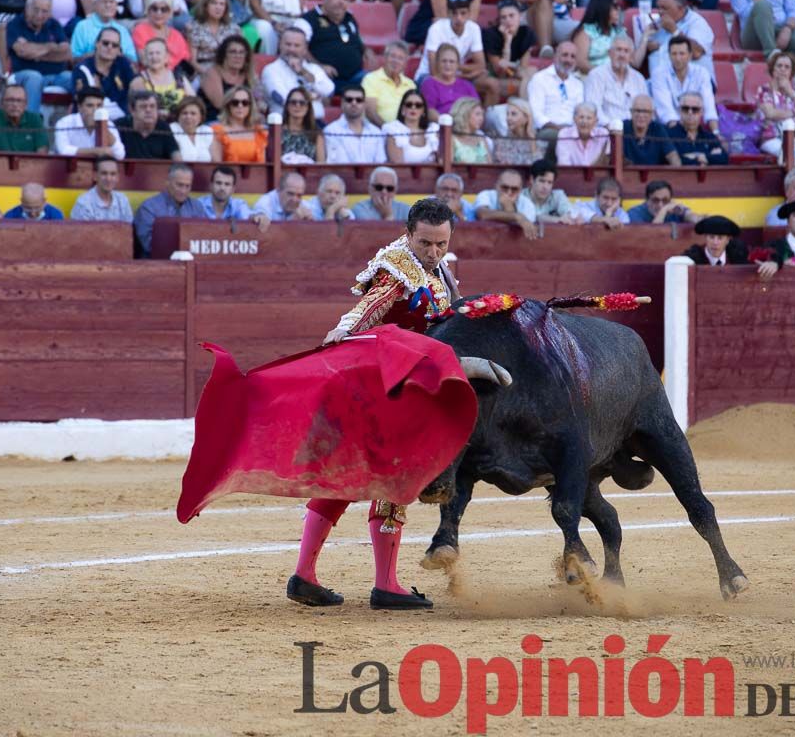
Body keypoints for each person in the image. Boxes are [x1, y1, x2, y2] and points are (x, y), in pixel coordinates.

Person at [293, 199, 462, 611]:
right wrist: (343, 329)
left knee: (345, 478)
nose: (434, 251)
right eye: (426, 242)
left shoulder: (438, 269)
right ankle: (385, 584)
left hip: (397, 388)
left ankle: (304, 576)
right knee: (392, 479)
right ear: (409, 234)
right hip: (386, 391)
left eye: (442, 243)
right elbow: (370, 306)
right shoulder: (397, 266)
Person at [294, 0, 372, 96]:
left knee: (376, 83)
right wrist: (319, 66)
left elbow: (356, 40)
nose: (342, 2)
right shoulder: (307, 20)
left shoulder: (350, 18)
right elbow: (298, 48)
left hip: (356, 77)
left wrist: (366, 50)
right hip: (326, 79)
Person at [0, 0, 73, 114]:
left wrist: (38, 51)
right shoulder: (15, 24)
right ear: (27, 8)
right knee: (35, 77)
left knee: (73, 77)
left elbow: (67, 54)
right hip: (24, 75)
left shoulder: (54, 24)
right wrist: (54, 48)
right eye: (36, 10)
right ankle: (31, 124)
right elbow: (22, 51)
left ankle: (79, 122)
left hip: (55, 75)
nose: (39, 15)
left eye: (44, 11)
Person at [134, 163, 216, 255]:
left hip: (192, 260)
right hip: (157, 263)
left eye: (187, 186)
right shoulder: (149, 208)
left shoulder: (197, 207)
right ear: (167, 182)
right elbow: (148, 244)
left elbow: (204, 238)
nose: (183, 191)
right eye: (179, 185)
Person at [634, 0, 715, 80]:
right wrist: (647, 47)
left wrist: (674, 31)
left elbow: (696, 53)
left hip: (693, 81)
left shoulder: (697, 23)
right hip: (660, 82)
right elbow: (636, 61)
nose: (660, 12)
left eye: (665, 8)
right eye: (659, 7)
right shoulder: (658, 23)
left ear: (681, 9)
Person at [263, 28, 335, 120]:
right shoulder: (271, 70)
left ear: (305, 49)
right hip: (286, 125)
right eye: (288, 44)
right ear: (280, 45)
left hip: (316, 124)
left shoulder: (314, 69)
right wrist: (314, 96)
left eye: (297, 45)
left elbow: (329, 91)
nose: (291, 49)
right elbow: (282, 99)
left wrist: (303, 72)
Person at [650, 35, 718, 131]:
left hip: (694, 126)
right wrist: (682, 136)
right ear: (669, 55)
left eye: (682, 54)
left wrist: (715, 132)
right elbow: (665, 111)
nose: (678, 58)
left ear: (690, 55)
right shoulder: (659, 74)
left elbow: (709, 106)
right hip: (668, 128)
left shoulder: (702, 73)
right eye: (674, 54)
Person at [416, 0, 486, 82]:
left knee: (488, 81)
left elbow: (481, 65)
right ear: (448, 14)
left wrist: (457, 68)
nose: (459, 18)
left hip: (457, 75)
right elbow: (433, 69)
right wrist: (461, 71)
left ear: (469, 13)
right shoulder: (436, 28)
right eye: (454, 13)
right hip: (428, 75)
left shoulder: (474, 28)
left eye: (463, 13)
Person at [72, 26, 137, 119]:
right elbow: (87, 102)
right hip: (91, 120)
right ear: (96, 44)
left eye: (114, 45)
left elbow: (138, 84)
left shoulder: (123, 63)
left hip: (122, 121)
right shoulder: (83, 69)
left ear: (119, 50)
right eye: (105, 43)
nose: (110, 47)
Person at [755, 50, 795, 161]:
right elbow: (770, 113)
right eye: (779, 66)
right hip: (771, 137)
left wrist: (790, 91)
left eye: (787, 67)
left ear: (791, 72)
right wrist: (794, 112)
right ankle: (793, 176)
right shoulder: (765, 90)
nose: (782, 69)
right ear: (773, 69)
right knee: (789, 150)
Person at [584, 34, 647, 127]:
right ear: (610, 53)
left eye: (626, 51)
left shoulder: (639, 79)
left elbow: (644, 108)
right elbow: (593, 108)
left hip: (634, 131)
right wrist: (612, 126)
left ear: (631, 56)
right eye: (618, 50)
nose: (622, 55)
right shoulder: (596, 75)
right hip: (606, 130)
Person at [526, 41, 584, 140]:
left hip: (573, 130)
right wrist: (560, 129)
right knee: (561, 137)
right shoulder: (540, 79)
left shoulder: (578, 84)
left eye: (572, 56)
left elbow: (580, 113)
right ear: (555, 57)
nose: (568, 60)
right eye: (565, 55)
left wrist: (573, 130)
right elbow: (536, 114)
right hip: (547, 130)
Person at [481, 0, 535, 104]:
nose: (508, 20)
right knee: (527, 83)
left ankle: (522, 109)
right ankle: (522, 110)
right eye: (503, 17)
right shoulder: (490, 35)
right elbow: (500, 72)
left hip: (516, 75)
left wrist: (513, 67)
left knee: (533, 71)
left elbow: (523, 67)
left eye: (511, 15)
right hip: (495, 79)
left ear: (520, 16)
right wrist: (507, 41)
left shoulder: (526, 33)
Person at [200, 35, 264, 123]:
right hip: (216, 120)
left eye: (242, 52)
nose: (238, 56)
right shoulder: (212, 72)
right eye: (233, 52)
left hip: (243, 121)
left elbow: (260, 102)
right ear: (224, 55)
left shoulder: (249, 75)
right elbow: (220, 104)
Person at [55, 87, 127, 158]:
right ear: (79, 107)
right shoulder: (64, 123)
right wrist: (96, 151)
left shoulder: (109, 124)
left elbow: (120, 154)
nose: (95, 110)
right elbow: (63, 150)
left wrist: (104, 128)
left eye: (99, 106)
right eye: (90, 106)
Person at [71, 0, 139, 62]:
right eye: (104, 2)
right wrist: (98, 54)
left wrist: (117, 53)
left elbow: (133, 60)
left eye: (111, 2)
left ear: (116, 6)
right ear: (95, 5)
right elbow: (73, 60)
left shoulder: (122, 30)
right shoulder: (82, 26)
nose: (108, 5)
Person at [323, 84, 386, 164]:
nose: (354, 103)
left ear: (364, 104)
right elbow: (338, 164)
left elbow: (380, 163)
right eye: (349, 100)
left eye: (359, 100)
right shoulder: (331, 131)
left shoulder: (376, 132)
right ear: (342, 103)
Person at [185, 0, 242, 75]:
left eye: (222, 4)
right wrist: (210, 74)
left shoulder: (234, 28)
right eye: (214, 3)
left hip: (229, 69)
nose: (218, 7)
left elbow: (241, 54)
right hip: (204, 70)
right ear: (205, 6)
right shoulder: (193, 28)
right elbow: (192, 61)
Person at [131, 37, 195, 112]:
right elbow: (140, 109)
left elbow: (193, 101)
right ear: (145, 58)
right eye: (150, 53)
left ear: (166, 57)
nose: (154, 57)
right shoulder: (139, 80)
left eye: (158, 53)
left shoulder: (178, 76)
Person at [132, 0, 192, 70]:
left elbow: (186, 59)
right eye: (154, 8)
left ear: (170, 13)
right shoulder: (140, 30)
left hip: (176, 75)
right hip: (150, 76)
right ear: (148, 11)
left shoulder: (176, 35)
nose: (159, 13)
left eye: (164, 9)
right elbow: (144, 60)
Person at [0, 83, 48, 152]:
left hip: (29, 162)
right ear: (2, 103)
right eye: (10, 100)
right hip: (0, 162)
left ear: (26, 104)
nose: (15, 104)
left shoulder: (35, 120)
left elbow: (42, 152)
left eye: (19, 101)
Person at [474, 168, 539, 239]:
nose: (509, 192)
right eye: (505, 187)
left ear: (520, 190)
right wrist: (516, 216)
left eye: (514, 189)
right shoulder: (486, 195)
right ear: (496, 186)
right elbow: (482, 214)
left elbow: (516, 232)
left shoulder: (527, 204)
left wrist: (508, 206)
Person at [570, 0, 626, 76]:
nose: (619, 10)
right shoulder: (586, 31)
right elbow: (581, 62)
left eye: (620, 6)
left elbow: (634, 62)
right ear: (603, 8)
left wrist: (645, 36)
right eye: (615, 6)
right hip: (591, 77)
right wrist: (606, 75)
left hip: (617, 78)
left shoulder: (619, 31)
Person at [362, 41, 416, 127]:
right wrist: (388, 130)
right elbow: (370, 113)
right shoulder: (371, 79)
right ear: (385, 58)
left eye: (400, 58)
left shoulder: (410, 84)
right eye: (392, 56)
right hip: (378, 131)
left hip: (404, 132)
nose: (396, 61)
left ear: (405, 63)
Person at [668, 91, 727, 166]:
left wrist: (704, 157)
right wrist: (706, 158)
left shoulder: (709, 136)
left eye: (695, 109)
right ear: (679, 110)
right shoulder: (668, 135)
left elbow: (724, 158)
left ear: (702, 112)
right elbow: (672, 160)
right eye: (685, 108)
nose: (690, 112)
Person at [420, 43, 482, 116]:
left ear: (457, 64)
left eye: (451, 61)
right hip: (441, 124)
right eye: (444, 61)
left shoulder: (467, 85)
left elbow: (477, 109)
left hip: (465, 124)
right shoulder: (429, 84)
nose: (448, 65)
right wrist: (446, 123)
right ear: (437, 63)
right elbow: (429, 110)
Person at [211, 85, 269, 162]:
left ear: (250, 106)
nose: (240, 106)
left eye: (245, 102)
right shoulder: (217, 131)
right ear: (228, 106)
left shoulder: (260, 132)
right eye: (235, 102)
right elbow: (216, 164)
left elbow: (262, 164)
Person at [119, 90, 180, 159]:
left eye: (152, 106)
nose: (148, 110)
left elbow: (175, 153)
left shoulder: (163, 127)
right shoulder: (119, 126)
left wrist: (180, 167)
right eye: (143, 106)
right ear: (132, 110)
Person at [622, 95, 681, 165]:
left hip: (654, 175)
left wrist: (676, 172)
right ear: (631, 112)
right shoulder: (622, 127)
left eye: (645, 111)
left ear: (652, 114)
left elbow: (672, 155)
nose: (641, 115)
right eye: (637, 111)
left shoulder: (658, 129)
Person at [384, 90, 440, 163]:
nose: (413, 108)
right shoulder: (393, 130)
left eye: (418, 105)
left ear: (423, 111)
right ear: (403, 109)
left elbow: (441, 161)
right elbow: (397, 163)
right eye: (409, 104)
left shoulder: (433, 129)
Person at [72, 157, 134, 221]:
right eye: (104, 173)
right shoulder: (83, 203)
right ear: (95, 176)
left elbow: (128, 229)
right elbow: (83, 231)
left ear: (117, 177)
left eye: (113, 174)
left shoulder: (123, 200)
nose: (108, 179)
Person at [197, 164, 264, 224]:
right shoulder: (198, 204)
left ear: (233, 189)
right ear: (211, 185)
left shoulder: (238, 205)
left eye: (227, 184)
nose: (222, 188)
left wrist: (257, 217)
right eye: (218, 183)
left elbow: (248, 216)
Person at [491, 97, 547, 165]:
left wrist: (532, 140)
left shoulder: (540, 143)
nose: (508, 118)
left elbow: (538, 168)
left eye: (513, 114)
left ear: (526, 118)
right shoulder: (501, 143)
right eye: (507, 114)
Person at [554, 101, 609, 166]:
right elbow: (564, 164)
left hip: (597, 175)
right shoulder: (564, 134)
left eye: (589, 118)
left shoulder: (603, 134)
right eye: (581, 117)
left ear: (596, 121)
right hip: (571, 175)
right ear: (574, 119)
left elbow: (606, 162)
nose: (584, 121)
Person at [681, 215, 750, 265]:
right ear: (705, 238)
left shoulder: (738, 256)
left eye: (720, 238)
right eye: (711, 237)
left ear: (727, 240)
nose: (715, 242)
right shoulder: (693, 257)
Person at [281, 87, 326, 162]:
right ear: (287, 106)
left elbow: (321, 165)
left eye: (302, 103)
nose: (297, 106)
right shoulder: (277, 131)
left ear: (308, 107)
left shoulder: (316, 134)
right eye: (293, 102)